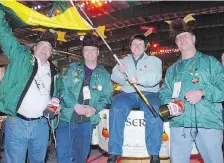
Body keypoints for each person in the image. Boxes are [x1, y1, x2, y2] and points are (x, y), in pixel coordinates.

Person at [0, 5, 60, 163]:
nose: (45, 49)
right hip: (17, 124)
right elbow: (5, 37)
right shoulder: (22, 58)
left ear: (51, 53)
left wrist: (57, 102)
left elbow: (58, 94)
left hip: (42, 126)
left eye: (48, 47)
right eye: (42, 45)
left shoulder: (55, 72)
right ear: (34, 48)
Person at [159, 18, 224, 163]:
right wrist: (170, 104)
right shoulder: (172, 70)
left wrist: (202, 92)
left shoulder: (210, 62)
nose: (182, 39)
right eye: (178, 38)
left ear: (193, 38)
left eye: (185, 36)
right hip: (180, 123)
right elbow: (164, 92)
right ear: (176, 44)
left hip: (207, 121)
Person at [56, 33, 114, 163]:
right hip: (67, 118)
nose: (89, 53)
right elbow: (63, 89)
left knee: (81, 157)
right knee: (63, 156)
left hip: (87, 122)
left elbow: (107, 96)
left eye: (92, 50)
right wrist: (75, 105)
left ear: (98, 52)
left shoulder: (104, 75)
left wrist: (95, 108)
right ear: (82, 52)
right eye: (86, 50)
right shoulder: (72, 69)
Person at [107, 34, 163, 163]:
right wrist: (120, 71)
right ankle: (114, 152)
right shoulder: (123, 61)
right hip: (128, 93)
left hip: (149, 93)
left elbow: (156, 77)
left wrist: (138, 79)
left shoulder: (154, 60)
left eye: (140, 44)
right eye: (134, 44)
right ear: (130, 46)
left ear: (145, 47)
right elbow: (116, 79)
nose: (137, 46)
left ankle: (154, 153)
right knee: (116, 108)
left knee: (155, 112)